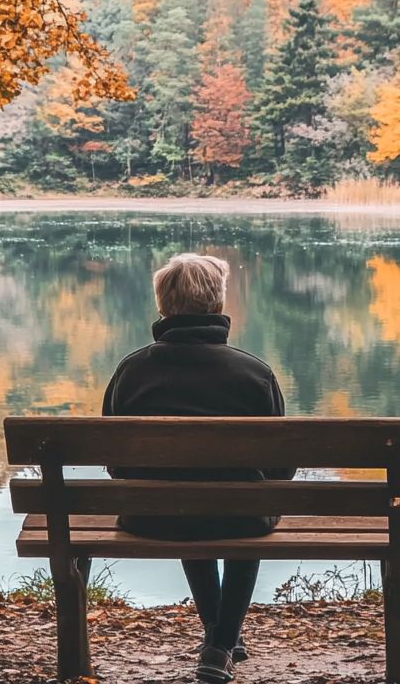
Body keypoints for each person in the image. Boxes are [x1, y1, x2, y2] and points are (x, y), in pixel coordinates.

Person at [102, 253, 294, 684]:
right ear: (218, 304)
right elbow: (281, 470)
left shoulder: (131, 371)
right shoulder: (254, 374)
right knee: (245, 505)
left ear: (163, 306)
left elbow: (115, 464)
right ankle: (223, 643)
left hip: (153, 515)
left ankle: (218, 637)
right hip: (240, 516)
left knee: (186, 500)